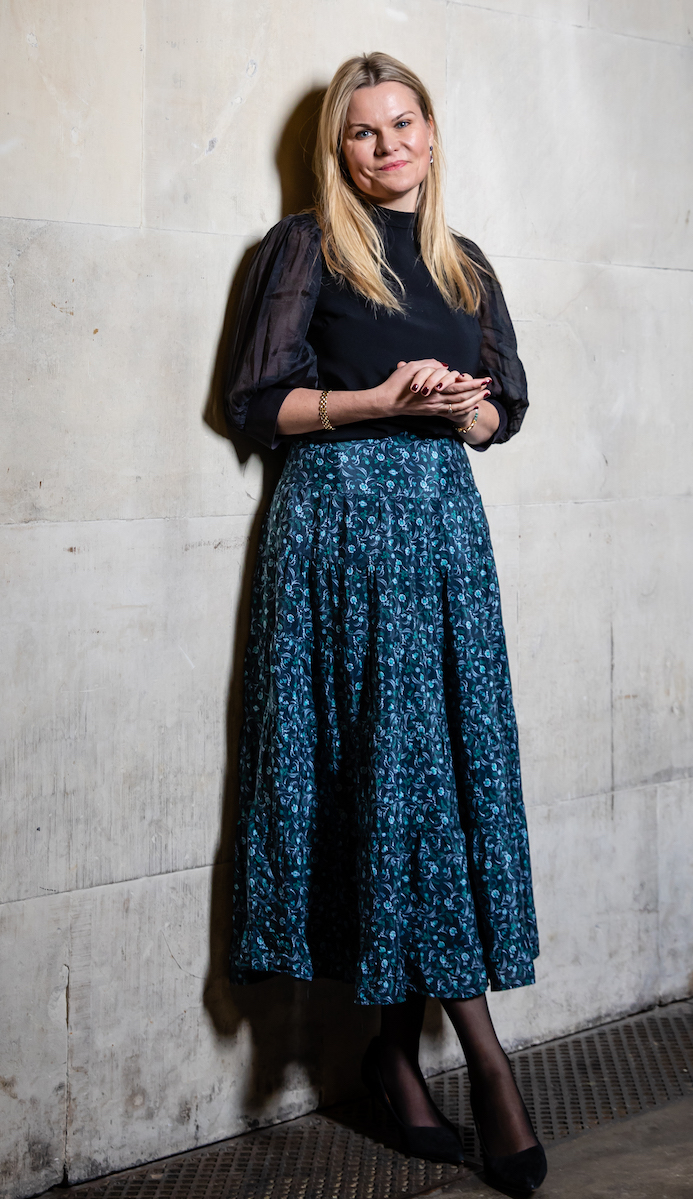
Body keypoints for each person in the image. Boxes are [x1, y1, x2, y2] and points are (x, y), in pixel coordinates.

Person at [224, 51, 547, 1196]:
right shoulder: (304, 248)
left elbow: (509, 402)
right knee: (390, 775)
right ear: (338, 151)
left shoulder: (467, 266)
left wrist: (468, 411)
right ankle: (486, 1063)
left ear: (430, 133)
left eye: (402, 123)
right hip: (343, 531)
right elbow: (255, 404)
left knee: (432, 779)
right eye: (362, 132)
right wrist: (380, 399)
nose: (386, 144)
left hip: (446, 537)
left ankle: (393, 1057)